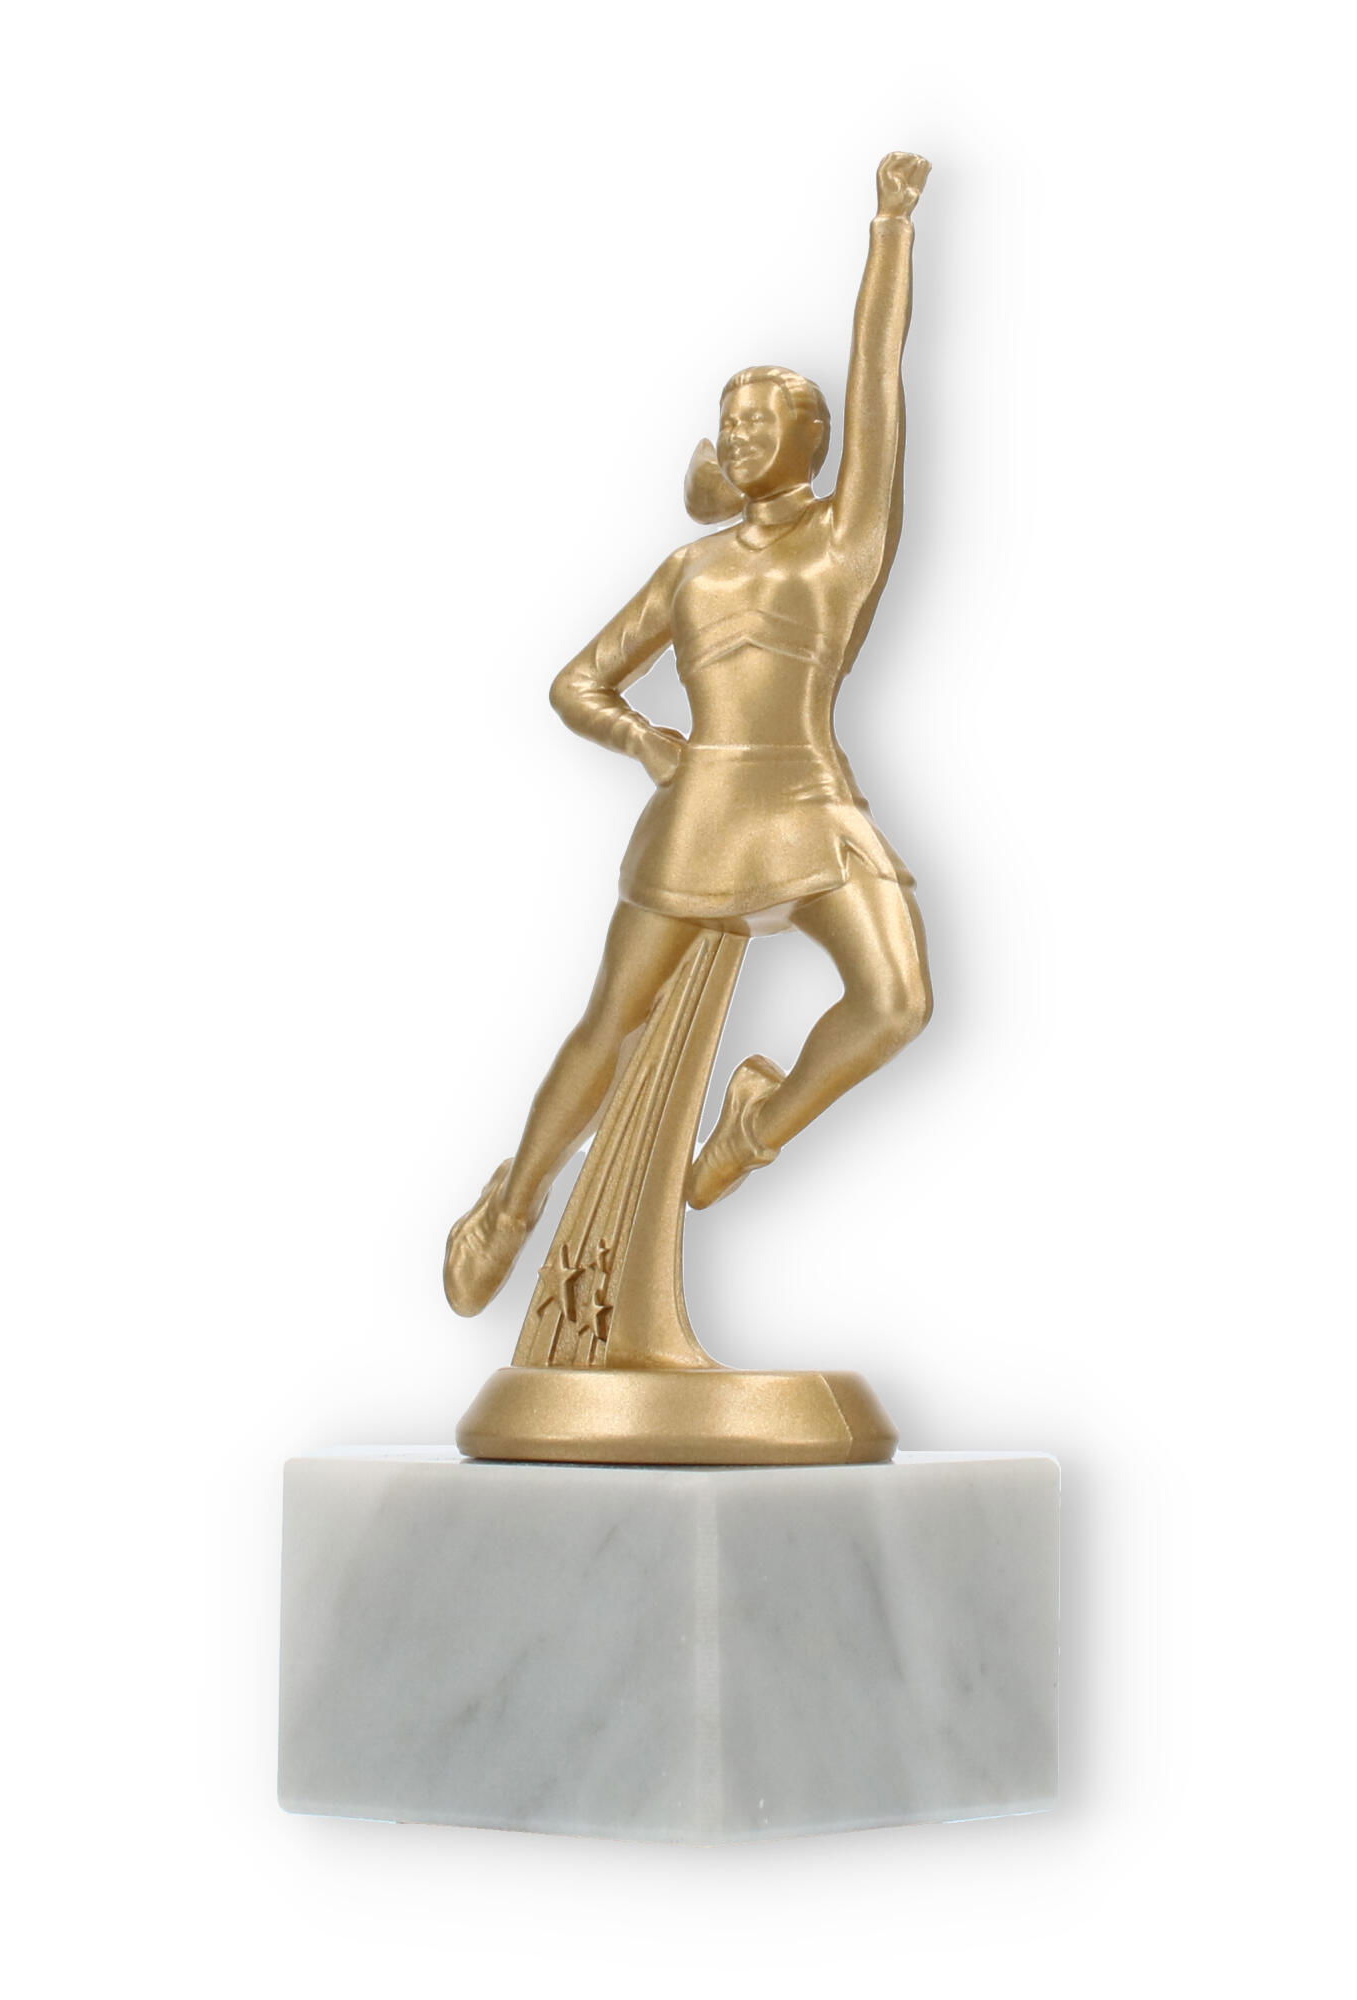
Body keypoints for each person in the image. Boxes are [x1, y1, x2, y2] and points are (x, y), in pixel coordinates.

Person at [445, 152, 935, 1318]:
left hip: (811, 802)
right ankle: (513, 1200)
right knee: (608, 1023)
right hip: (700, 810)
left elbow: (878, 374)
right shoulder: (690, 566)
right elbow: (576, 682)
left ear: (812, 438)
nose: (740, 431)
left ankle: (747, 1128)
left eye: (761, 418)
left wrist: (889, 230)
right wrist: (647, 744)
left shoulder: (845, 544)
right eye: (728, 420)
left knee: (896, 1000)